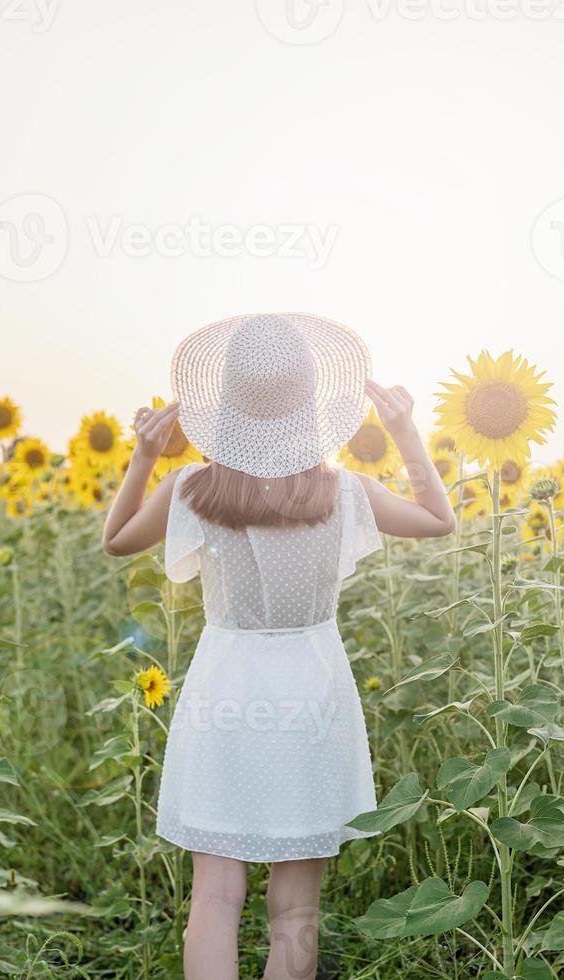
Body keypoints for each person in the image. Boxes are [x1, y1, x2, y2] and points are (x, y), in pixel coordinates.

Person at [102, 313, 455, 980]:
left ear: (226, 404)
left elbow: (116, 539)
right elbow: (439, 520)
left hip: (225, 687)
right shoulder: (344, 490)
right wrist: (406, 434)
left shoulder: (191, 491)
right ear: (312, 401)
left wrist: (145, 453)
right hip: (312, 691)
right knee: (294, 909)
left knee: (213, 894)